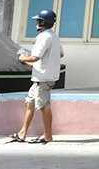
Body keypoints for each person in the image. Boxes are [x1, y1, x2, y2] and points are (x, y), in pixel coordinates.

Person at [9, 10, 63, 144]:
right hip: (42, 78)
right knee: (29, 103)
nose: (37, 24)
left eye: (39, 21)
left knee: (44, 105)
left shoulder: (44, 37)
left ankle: (48, 135)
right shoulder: (54, 36)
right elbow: (60, 54)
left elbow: (35, 57)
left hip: (43, 78)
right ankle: (22, 133)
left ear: (45, 22)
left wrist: (22, 58)